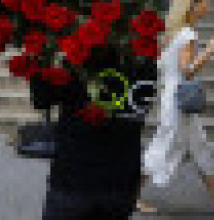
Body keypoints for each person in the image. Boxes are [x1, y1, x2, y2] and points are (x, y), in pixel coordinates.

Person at [137, 0, 214, 214]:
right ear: (193, 7)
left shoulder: (173, 35)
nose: (208, 6)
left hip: (175, 100)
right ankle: (131, 195)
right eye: (205, 3)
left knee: (200, 148)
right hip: (179, 102)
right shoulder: (187, 35)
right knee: (162, 147)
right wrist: (209, 50)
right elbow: (187, 71)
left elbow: (166, 68)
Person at [31, 46, 157, 220]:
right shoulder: (145, 61)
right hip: (121, 180)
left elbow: (41, 99)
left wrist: (40, 56)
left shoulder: (77, 58)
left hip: (74, 179)